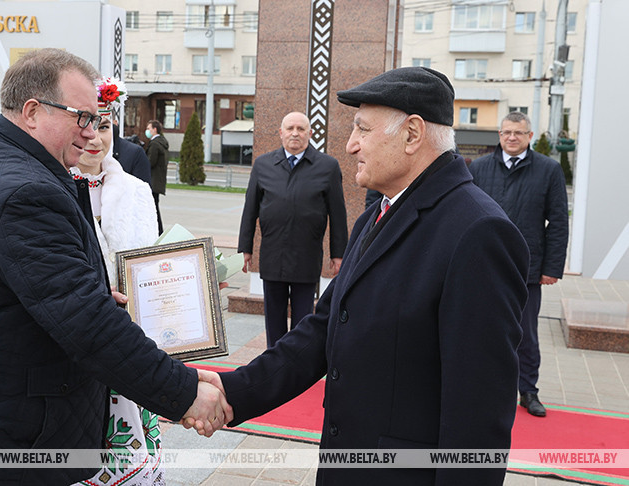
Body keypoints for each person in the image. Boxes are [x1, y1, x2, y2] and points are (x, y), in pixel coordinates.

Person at [0, 48, 228, 485]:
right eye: (82, 117)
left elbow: (43, 292)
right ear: (32, 111)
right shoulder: (24, 192)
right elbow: (85, 321)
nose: (91, 134)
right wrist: (182, 392)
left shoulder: (7, 161)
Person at [198, 67, 530, 485]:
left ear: (412, 135)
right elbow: (324, 327)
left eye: (362, 129)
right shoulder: (379, 211)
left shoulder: (478, 232)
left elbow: (478, 414)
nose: (351, 145)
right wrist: (235, 391)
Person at [70, 76, 164, 486]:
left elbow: (152, 260)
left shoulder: (137, 190)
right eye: (89, 126)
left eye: (105, 127)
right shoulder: (49, 186)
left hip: (125, 335)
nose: (95, 138)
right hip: (74, 333)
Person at [469, 111, 569, 418]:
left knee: (525, 334)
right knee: (479, 330)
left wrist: (551, 267)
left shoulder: (549, 170)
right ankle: (479, 387)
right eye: (506, 132)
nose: (511, 137)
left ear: (529, 136)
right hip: (484, 265)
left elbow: (559, 221)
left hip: (527, 269)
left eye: (518, 133)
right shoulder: (480, 167)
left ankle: (528, 391)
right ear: (499, 135)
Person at [238, 111, 348, 348]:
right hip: (272, 255)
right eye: (290, 128)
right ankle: (273, 365)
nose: (295, 133)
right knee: (274, 321)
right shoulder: (263, 165)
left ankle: (298, 364)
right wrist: (244, 249)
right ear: (281, 133)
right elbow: (250, 210)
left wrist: (338, 254)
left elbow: (338, 214)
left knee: (303, 320)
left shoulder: (327, 167)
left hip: (306, 257)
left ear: (310, 133)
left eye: (300, 129)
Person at [145, 119, 169, 234]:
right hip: (158, 181)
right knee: (154, 207)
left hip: (153, 181)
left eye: (149, 128)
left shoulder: (155, 144)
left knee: (153, 208)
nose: (147, 131)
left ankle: (157, 231)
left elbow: (150, 162)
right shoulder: (162, 142)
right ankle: (158, 230)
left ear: (154, 130)